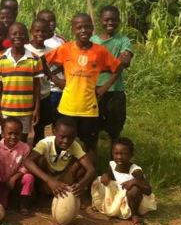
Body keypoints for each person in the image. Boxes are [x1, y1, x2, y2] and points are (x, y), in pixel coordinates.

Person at [44, 13, 123, 160]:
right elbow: (44, 60)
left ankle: (90, 175)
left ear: (92, 29)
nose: (83, 30)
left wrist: (104, 87)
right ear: (73, 29)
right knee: (64, 143)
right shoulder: (66, 48)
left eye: (87, 27)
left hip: (89, 109)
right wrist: (54, 78)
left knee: (90, 144)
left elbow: (117, 68)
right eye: (79, 27)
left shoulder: (99, 51)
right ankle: (63, 171)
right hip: (67, 107)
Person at [23, 117, 96, 207]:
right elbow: (27, 161)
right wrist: (49, 180)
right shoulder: (45, 143)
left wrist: (81, 184)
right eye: (62, 137)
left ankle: (77, 194)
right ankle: (40, 194)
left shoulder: (75, 145)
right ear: (54, 132)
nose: (66, 141)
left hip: (63, 178)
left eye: (70, 137)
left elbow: (91, 169)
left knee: (85, 161)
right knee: (39, 159)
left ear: (75, 136)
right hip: (47, 179)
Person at [0, 23, 44, 142]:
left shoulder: (35, 59)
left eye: (21, 34)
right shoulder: (1, 60)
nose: (18, 36)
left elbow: (37, 86)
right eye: (14, 34)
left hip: (26, 110)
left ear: (27, 37)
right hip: (6, 109)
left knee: (22, 139)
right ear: (8, 37)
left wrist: (37, 109)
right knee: (6, 139)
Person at [91, 137, 156, 225]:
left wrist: (135, 181)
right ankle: (101, 203)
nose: (119, 157)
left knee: (134, 190)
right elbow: (112, 178)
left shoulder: (135, 171)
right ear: (112, 153)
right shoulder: (112, 165)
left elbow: (148, 190)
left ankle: (135, 215)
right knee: (99, 180)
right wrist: (106, 175)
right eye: (116, 153)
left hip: (134, 200)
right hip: (119, 196)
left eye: (124, 154)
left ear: (131, 155)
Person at [90, 5, 133, 142]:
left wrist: (102, 65)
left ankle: (114, 162)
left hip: (115, 91)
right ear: (100, 21)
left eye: (113, 20)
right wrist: (114, 63)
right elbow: (90, 65)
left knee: (115, 130)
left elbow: (124, 62)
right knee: (92, 129)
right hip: (93, 91)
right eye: (106, 19)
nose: (110, 23)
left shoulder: (123, 40)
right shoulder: (92, 41)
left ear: (118, 21)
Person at [0, 117, 34, 213]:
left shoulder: (25, 148)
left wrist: (14, 178)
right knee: (1, 207)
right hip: (1, 183)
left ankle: (23, 203)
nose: (13, 137)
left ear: (21, 133)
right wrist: (0, 186)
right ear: (2, 133)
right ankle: (7, 196)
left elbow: (25, 166)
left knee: (29, 177)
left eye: (17, 134)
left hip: (17, 180)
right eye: (10, 133)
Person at [26, 19, 56, 144]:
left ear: (49, 33)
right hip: (25, 95)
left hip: (43, 94)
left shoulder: (51, 51)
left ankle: (37, 154)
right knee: (23, 127)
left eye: (44, 31)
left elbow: (58, 67)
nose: (40, 34)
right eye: (37, 31)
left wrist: (49, 72)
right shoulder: (24, 48)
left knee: (40, 127)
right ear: (31, 31)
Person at [37, 9, 65, 109]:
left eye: (53, 20)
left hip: (57, 88)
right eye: (48, 21)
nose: (52, 23)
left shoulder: (60, 41)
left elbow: (65, 63)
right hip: (42, 88)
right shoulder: (36, 41)